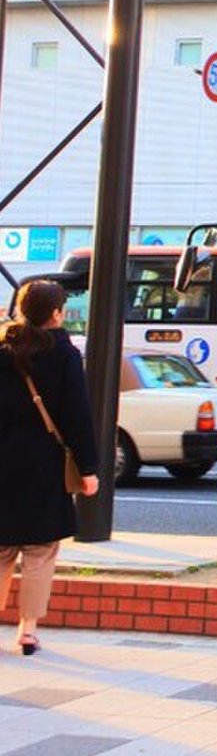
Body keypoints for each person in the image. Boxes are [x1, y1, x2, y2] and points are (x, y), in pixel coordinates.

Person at [0, 280, 99, 655]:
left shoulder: (3, 348)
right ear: (56, 313)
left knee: (2, 547)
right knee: (41, 549)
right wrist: (88, 468)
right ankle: (27, 631)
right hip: (44, 461)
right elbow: (77, 414)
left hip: (3, 460)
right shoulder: (63, 354)